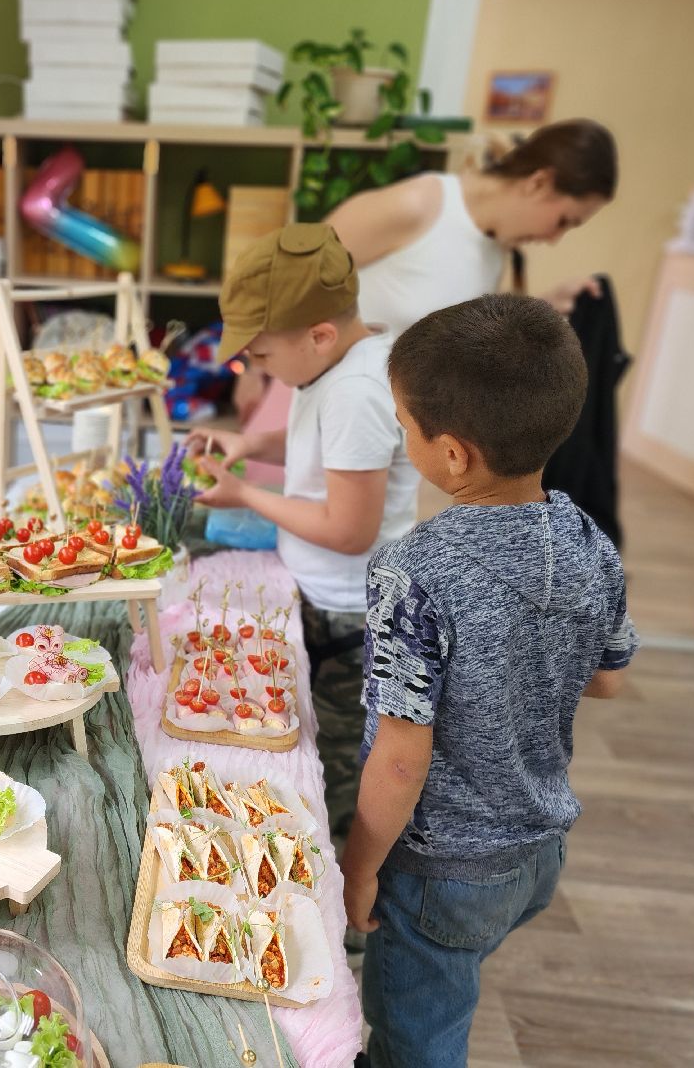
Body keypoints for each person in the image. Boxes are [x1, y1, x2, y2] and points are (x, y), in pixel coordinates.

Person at [344, 294, 637, 1067]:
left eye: (404, 424)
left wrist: (358, 869)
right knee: (457, 970)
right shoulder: (590, 543)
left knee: (417, 1039)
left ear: (451, 455)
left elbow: (402, 759)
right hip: (537, 852)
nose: (399, 435)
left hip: (441, 870)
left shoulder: (415, 572)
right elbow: (608, 681)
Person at [190, 223, 421, 849]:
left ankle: (342, 877)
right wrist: (252, 444)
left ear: (318, 335)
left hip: (350, 614)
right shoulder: (338, 363)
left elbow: (349, 530)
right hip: (323, 595)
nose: (255, 368)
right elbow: (318, 448)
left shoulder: (355, 391)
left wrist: (245, 494)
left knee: (337, 756)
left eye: (260, 356)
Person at [232, 119, 618, 438]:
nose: (554, 239)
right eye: (564, 221)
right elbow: (289, 276)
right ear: (538, 182)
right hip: (311, 410)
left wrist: (546, 306)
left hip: (382, 432)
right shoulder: (419, 206)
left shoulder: (493, 247)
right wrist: (254, 369)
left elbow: (448, 332)